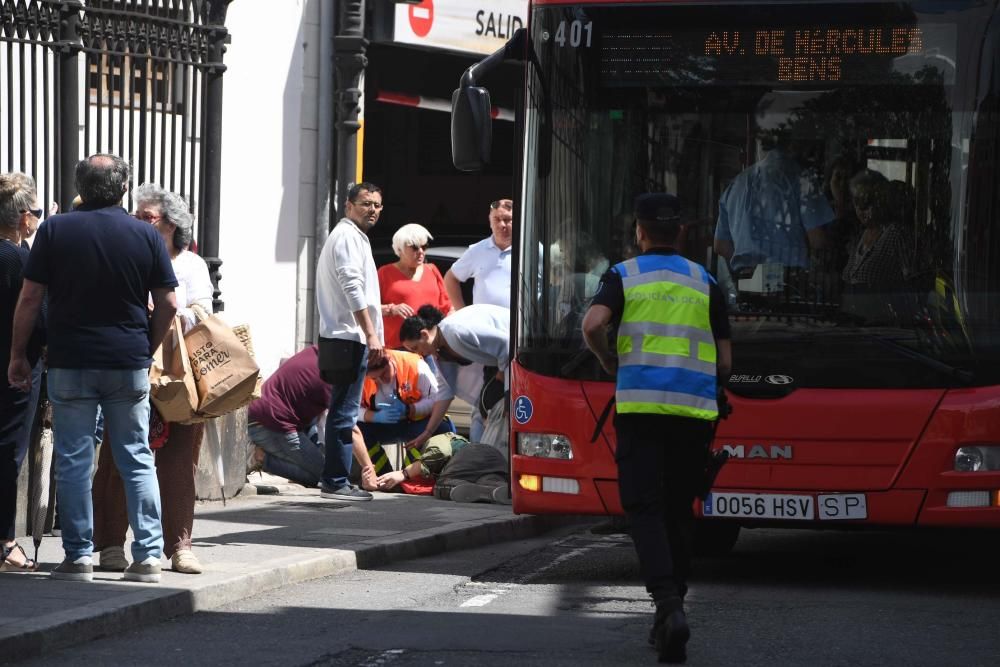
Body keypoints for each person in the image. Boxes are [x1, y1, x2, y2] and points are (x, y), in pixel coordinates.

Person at [9, 154, 178, 583]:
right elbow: (170, 304)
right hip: (127, 361)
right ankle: (148, 558)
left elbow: (30, 299)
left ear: (80, 185)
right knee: (136, 458)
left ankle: (78, 557)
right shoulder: (146, 235)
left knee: (73, 460)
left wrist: (17, 355)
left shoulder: (54, 229)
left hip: (70, 360)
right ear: (124, 189)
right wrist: (146, 347)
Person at [581, 193, 732, 663]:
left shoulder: (624, 275)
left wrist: (609, 359)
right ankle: (674, 609)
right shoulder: (706, 282)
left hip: (641, 410)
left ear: (639, 232)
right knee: (679, 510)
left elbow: (593, 324)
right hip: (694, 415)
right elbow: (725, 362)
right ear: (680, 232)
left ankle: (667, 606)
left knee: (644, 510)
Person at [90, 183, 213, 575]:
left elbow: (203, 313)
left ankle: (179, 546)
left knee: (179, 460)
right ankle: (111, 544)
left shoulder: (191, 264)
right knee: (118, 456)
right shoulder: (125, 254)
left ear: (172, 225)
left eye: (147, 218)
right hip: (130, 365)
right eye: (136, 216)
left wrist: (167, 311)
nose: (137, 223)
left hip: (178, 375)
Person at [315, 182, 385, 501]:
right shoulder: (346, 237)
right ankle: (335, 481)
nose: (372, 209)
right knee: (344, 413)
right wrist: (371, 334)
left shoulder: (354, 237)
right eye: (366, 203)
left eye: (377, 205)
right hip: (347, 337)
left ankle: (336, 479)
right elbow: (351, 287)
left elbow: (361, 292)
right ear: (348, 206)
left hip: (345, 336)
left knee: (343, 411)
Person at [0, 172, 45, 573]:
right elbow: (36, 315)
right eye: (37, 213)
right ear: (23, 217)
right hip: (14, 371)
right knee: (8, 453)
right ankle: (4, 543)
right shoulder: (17, 259)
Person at [713, 134, 833, 277]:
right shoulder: (801, 178)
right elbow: (817, 240)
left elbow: (720, 245)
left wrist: (753, 266)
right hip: (787, 281)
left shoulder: (736, 184)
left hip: (745, 279)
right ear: (793, 146)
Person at [399, 303, 510, 454]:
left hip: (515, 357)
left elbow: (507, 343)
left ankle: (490, 466)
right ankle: (480, 464)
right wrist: (428, 432)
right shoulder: (440, 350)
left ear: (424, 334)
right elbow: (445, 391)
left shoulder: (455, 331)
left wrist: (503, 374)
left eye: (415, 348)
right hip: (496, 368)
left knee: (494, 412)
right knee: (479, 420)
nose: (418, 353)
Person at [353, 348, 454, 481]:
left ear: (389, 361)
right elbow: (350, 410)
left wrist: (410, 409)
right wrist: (372, 416)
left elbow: (437, 400)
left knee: (441, 426)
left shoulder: (414, 365)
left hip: (415, 424)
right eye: (374, 378)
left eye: (384, 375)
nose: (381, 381)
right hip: (382, 426)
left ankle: (408, 478)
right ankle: (380, 477)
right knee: (355, 429)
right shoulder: (361, 376)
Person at [247, 344, 330, 489]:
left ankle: (265, 457)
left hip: (263, 416)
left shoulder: (315, 351)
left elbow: (321, 420)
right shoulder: (332, 381)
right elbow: (347, 428)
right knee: (327, 475)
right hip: (269, 423)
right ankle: (258, 457)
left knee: (314, 476)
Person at [376, 434, 510, 505]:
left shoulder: (440, 439)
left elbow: (441, 451)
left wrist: (403, 473)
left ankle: (485, 491)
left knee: (442, 484)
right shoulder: (462, 450)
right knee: (488, 478)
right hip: (496, 458)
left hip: (470, 454)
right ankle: (498, 488)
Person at [378, 223, 451, 349]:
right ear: (399, 249)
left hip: (431, 347)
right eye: (415, 247)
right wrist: (392, 309)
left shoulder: (432, 270)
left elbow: (447, 307)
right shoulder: (385, 273)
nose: (421, 252)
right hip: (398, 348)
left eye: (424, 246)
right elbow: (369, 308)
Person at [443, 198, 513, 310]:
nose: (501, 225)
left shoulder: (532, 252)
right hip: (483, 325)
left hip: (520, 326)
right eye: (496, 219)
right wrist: (462, 313)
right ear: (490, 222)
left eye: (507, 219)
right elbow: (450, 278)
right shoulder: (476, 251)